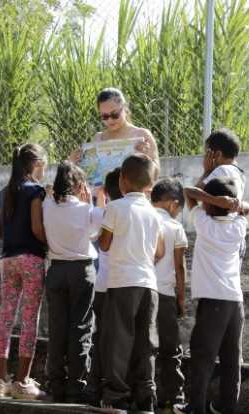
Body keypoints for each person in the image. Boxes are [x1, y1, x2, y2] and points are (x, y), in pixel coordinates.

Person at [174, 178, 249, 414]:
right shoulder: (239, 225)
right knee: (231, 358)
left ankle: (196, 406)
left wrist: (213, 199)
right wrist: (228, 203)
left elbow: (187, 191)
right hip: (235, 301)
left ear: (209, 204)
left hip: (213, 300)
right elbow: (246, 208)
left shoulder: (203, 222)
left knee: (202, 355)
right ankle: (227, 406)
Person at [98, 154, 164, 412]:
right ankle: (146, 397)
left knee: (119, 340)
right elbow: (159, 252)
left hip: (122, 282)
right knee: (146, 342)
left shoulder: (115, 208)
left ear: (123, 181)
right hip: (149, 284)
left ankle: (116, 396)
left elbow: (104, 244)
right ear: (149, 184)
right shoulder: (155, 213)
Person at [43, 161, 103, 403]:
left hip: (56, 270)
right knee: (80, 327)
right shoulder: (85, 209)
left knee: (57, 328)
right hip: (81, 270)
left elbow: (51, 197)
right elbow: (95, 233)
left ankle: (55, 384)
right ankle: (76, 386)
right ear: (80, 186)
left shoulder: (47, 205)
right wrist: (90, 203)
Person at [0, 144, 48, 400]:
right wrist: (50, 243)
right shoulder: (36, 191)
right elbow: (37, 228)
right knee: (29, 318)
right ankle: (22, 380)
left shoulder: (4, 193)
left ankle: (0, 378)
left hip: (8, 258)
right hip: (31, 259)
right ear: (36, 164)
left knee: (5, 315)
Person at [85, 167, 122, 405]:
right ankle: (113, 391)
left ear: (107, 191)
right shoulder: (138, 212)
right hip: (120, 286)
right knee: (118, 340)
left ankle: (93, 389)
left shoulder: (104, 212)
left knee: (99, 338)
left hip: (102, 285)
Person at [151, 178, 188, 409]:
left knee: (143, 347)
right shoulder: (174, 227)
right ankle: (175, 396)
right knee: (170, 349)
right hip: (164, 294)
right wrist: (181, 299)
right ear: (173, 205)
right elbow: (180, 267)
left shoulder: (140, 218)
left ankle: (143, 395)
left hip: (138, 291)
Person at [71, 88, 160, 168]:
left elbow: (156, 171)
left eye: (115, 114)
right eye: (105, 116)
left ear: (125, 109)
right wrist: (74, 163)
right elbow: (89, 175)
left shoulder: (142, 135)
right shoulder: (98, 139)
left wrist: (147, 159)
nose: (110, 120)